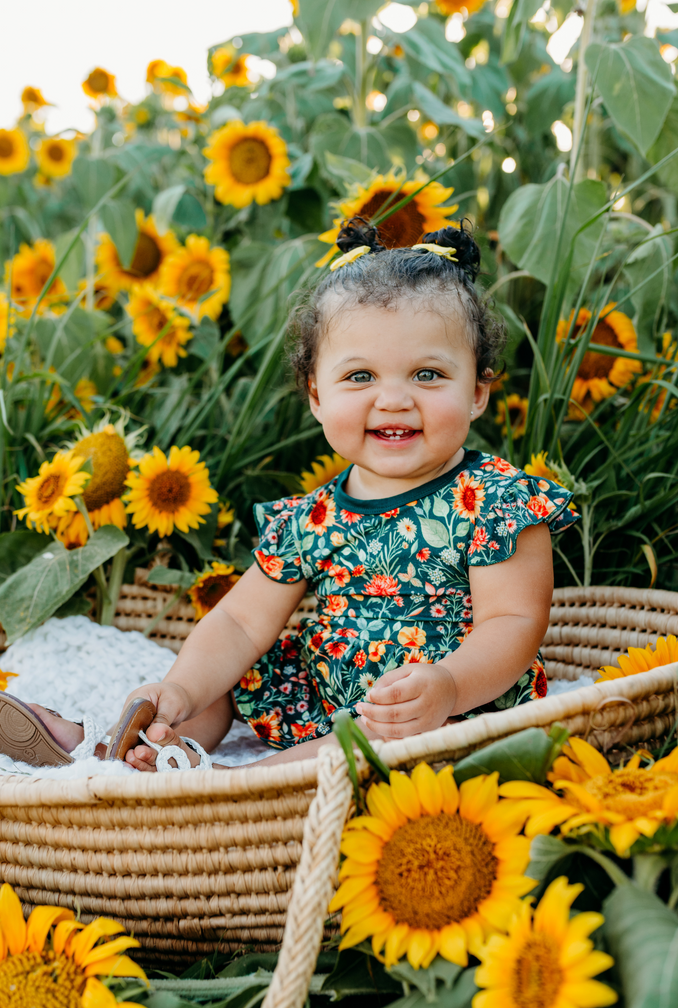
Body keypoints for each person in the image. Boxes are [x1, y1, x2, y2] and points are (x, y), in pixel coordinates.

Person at [0, 220, 578, 772]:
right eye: (360, 377)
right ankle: (124, 746)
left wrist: (449, 683)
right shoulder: (314, 515)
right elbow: (242, 625)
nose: (394, 399)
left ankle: (243, 783)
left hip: (437, 708)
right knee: (226, 682)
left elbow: (514, 622)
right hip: (320, 697)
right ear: (317, 396)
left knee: (384, 737)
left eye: (428, 374)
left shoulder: (496, 499)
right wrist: (180, 687)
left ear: (478, 390)